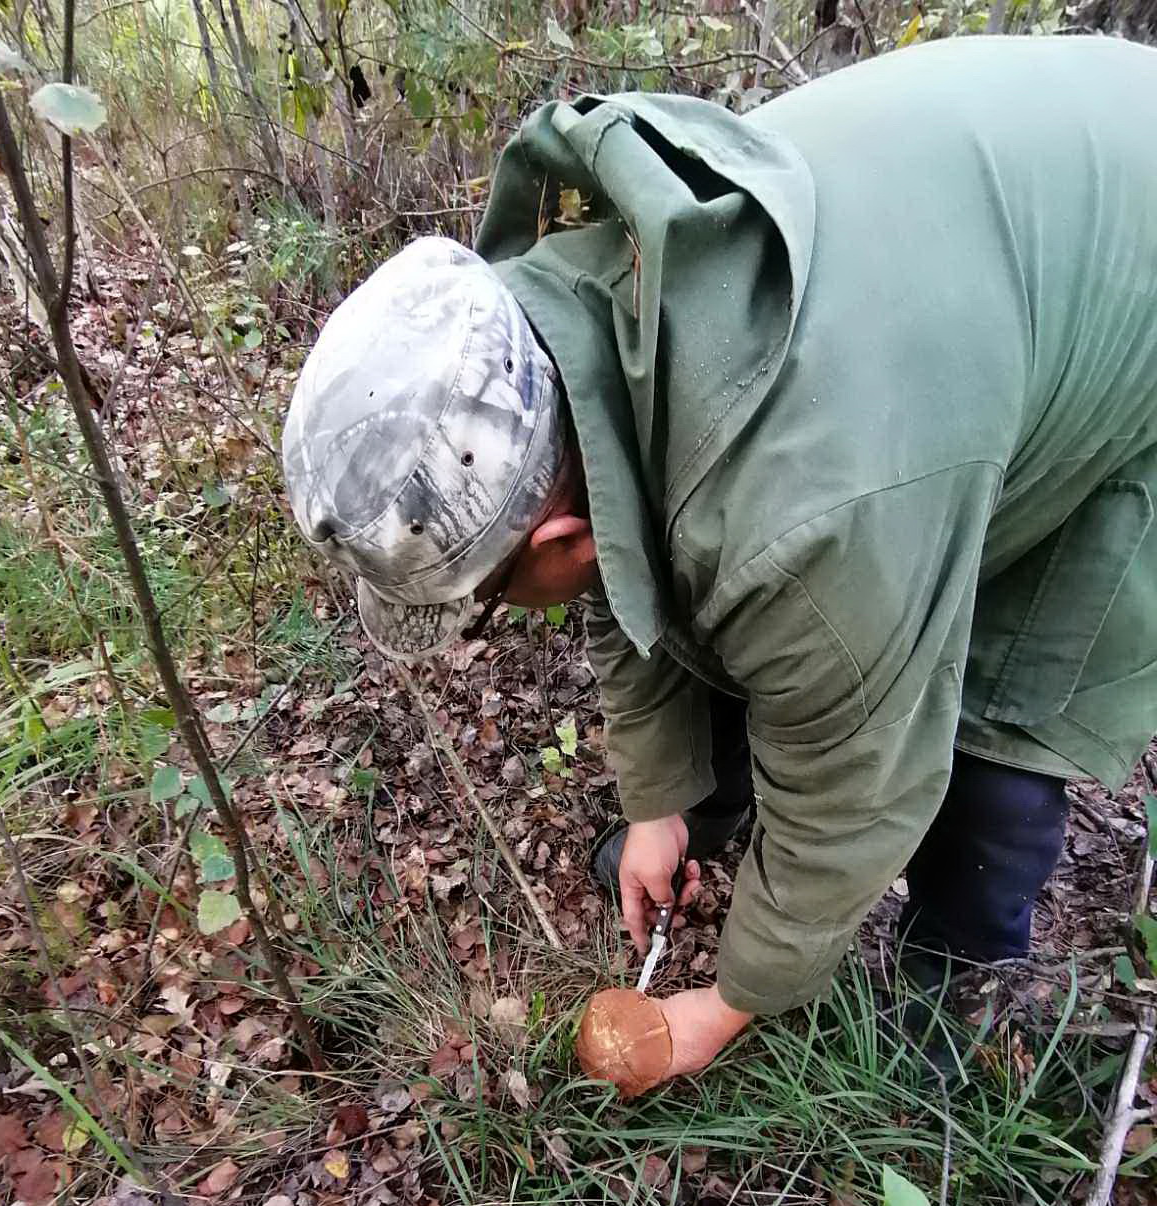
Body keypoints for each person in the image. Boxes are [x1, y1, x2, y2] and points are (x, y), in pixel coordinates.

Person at [282, 35, 1157, 1085]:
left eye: (495, 597)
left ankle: (956, 1000)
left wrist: (727, 1003)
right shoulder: (576, 320)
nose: (509, 616)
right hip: (989, 240)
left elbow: (857, 787)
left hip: (1126, 270)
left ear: (549, 541)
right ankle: (716, 810)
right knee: (778, 595)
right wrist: (657, 800)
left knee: (1003, 710)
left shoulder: (809, 524)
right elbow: (614, 527)